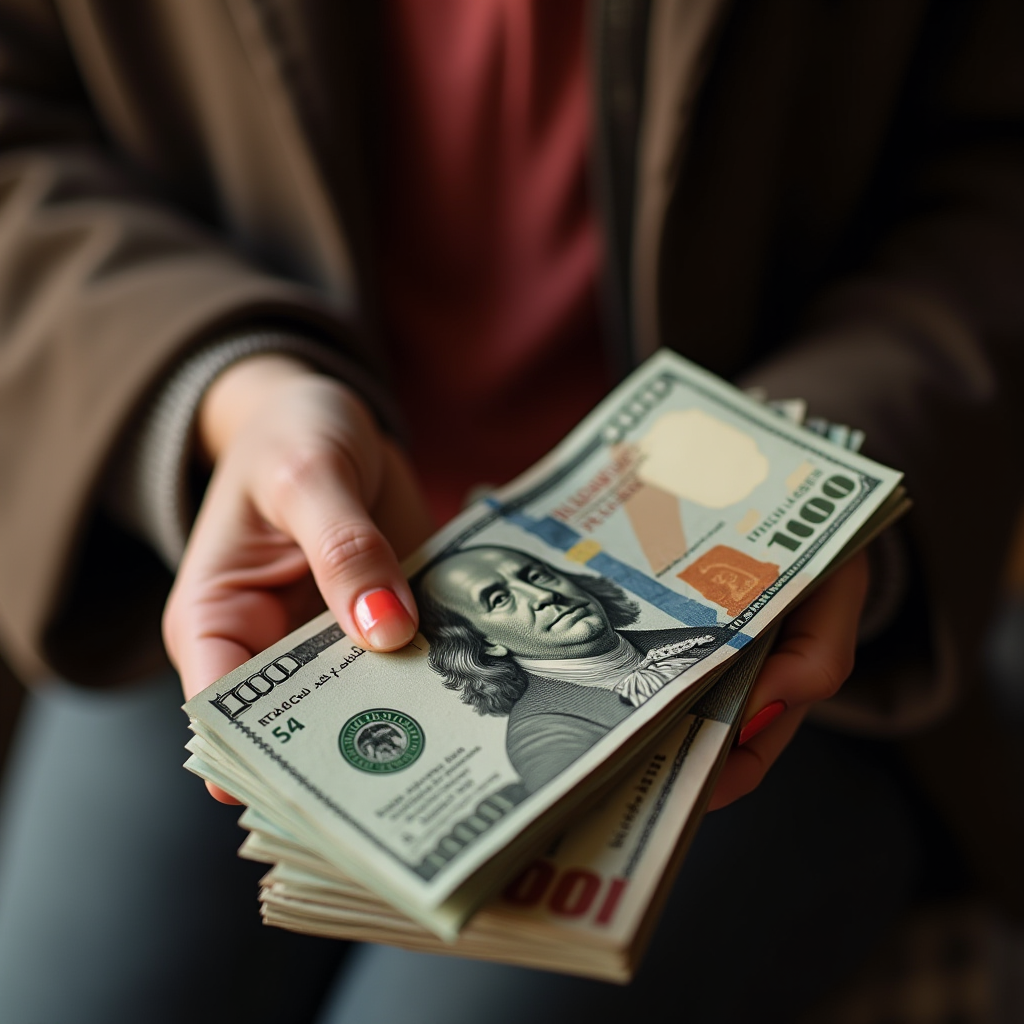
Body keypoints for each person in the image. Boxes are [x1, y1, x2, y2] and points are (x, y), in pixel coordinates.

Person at [0, 1, 1021, 1021]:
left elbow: (991, 171)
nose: (530, 583)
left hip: (794, 681)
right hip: (251, 553)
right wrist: (227, 394)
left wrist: (820, 472)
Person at [416, 544, 729, 789]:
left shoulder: (712, 637)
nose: (543, 596)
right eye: (499, 599)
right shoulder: (545, 733)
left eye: (536, 576)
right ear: (485, 643)